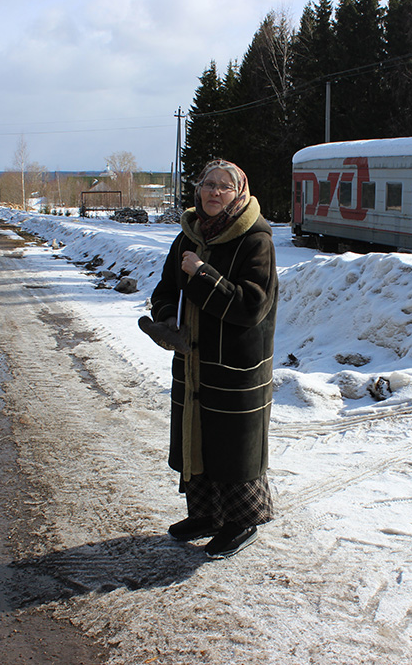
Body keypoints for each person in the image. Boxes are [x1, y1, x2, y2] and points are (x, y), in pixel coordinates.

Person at [139, 159, 278, 559]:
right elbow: (166, 289)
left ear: (239, 193)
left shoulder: (255, 240)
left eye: (224, 186)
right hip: (192, 357)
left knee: (235, 446)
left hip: (236, 363)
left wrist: (202, 273)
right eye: (208, 184)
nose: (215, 192)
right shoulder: (188, 236)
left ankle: (242, 521)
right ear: (198, 189)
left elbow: (251, 306)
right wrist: (168, 319)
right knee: (196, 436)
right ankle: (206, 514)